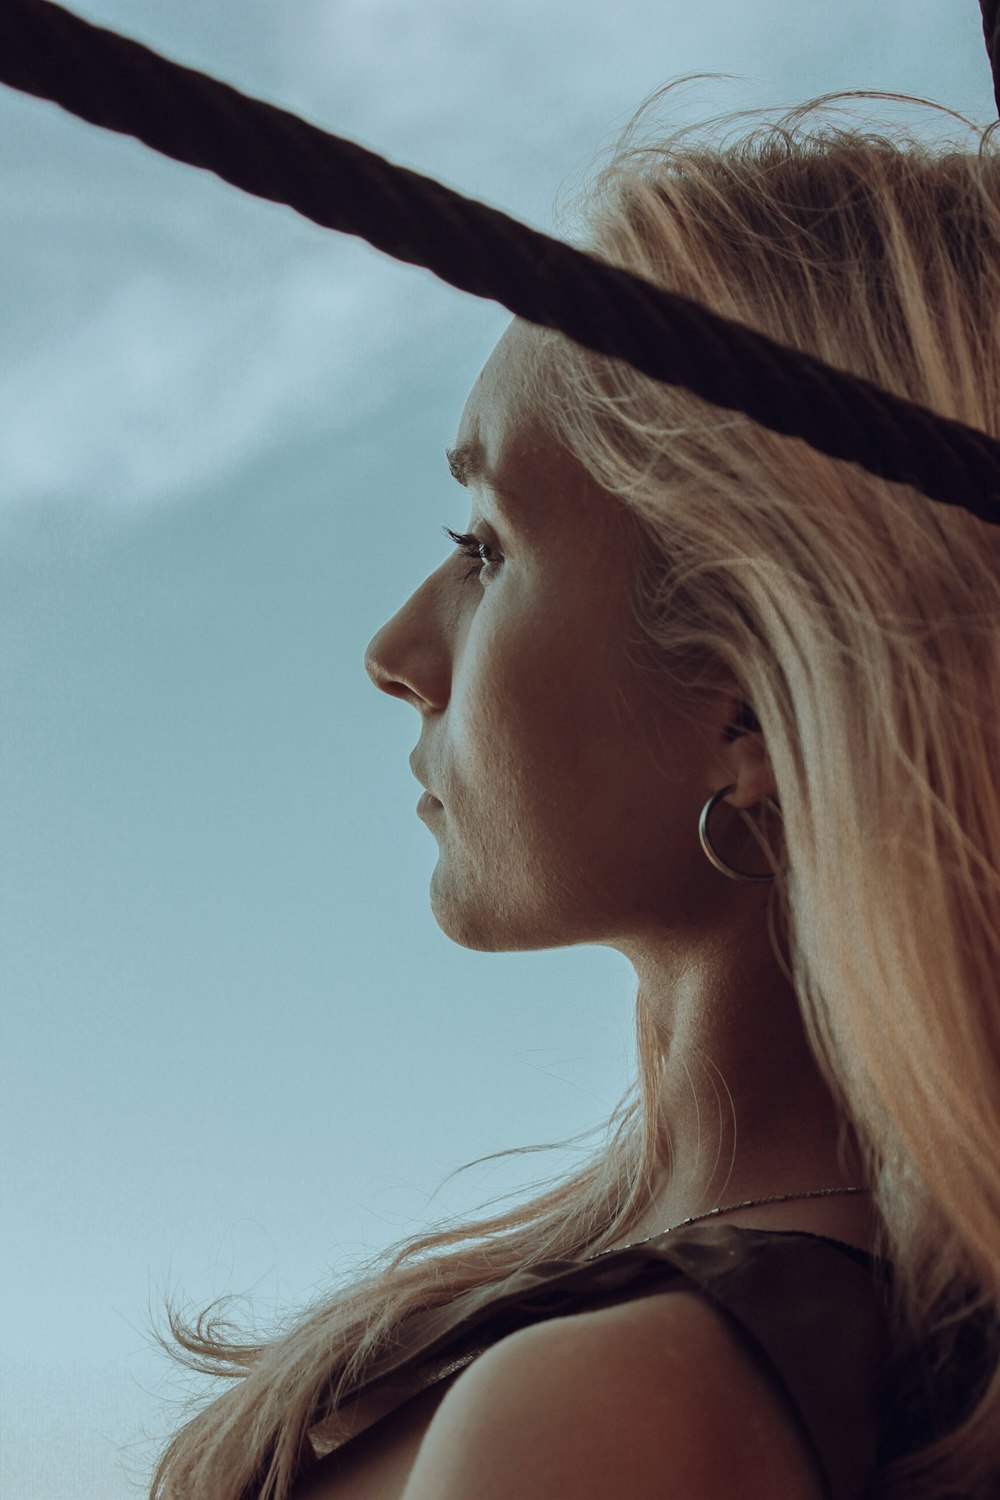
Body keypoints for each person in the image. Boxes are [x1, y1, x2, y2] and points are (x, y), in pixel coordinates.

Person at [151, 81, 1000, 1500]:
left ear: (750, 702)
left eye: (486, 545)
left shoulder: (619, 1408)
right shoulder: (708, 1341)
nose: (395, 653)